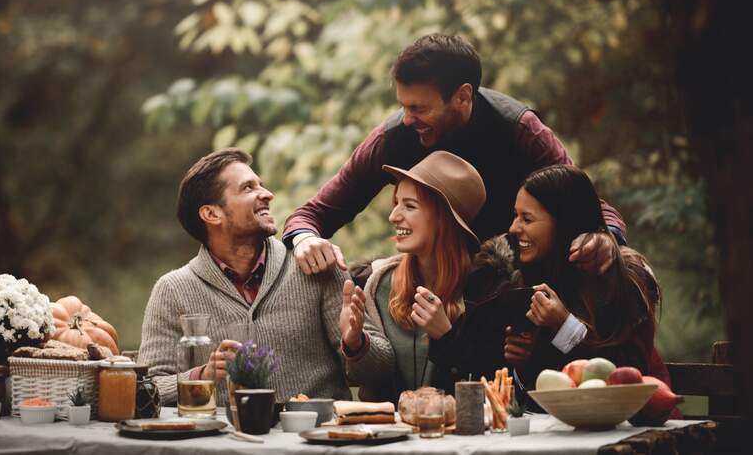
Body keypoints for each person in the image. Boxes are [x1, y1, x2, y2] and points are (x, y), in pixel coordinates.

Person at [284, 34, 625, 279]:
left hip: (519, 285)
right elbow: (311, 215)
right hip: (435, 286)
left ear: (462, 97)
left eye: (418, 107)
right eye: (402, 105)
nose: (406, 119)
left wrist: (604, 238)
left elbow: (593, 207)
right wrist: (305, 240)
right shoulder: (392, 139)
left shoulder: (519, 130)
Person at [427, 164, 671, 407]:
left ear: (563, 221)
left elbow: (627, 375)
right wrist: (528, 357)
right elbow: (538, 387)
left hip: (636, 426)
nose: (513, 228)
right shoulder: (525, 280)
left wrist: (564, 325)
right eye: (515, 215)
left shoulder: (622, 278)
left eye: (527, 219)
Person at [136, 148, 359, 406]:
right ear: (211, 214)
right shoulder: (172, 290)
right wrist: (203, 376)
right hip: (225, 444)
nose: (267, 194)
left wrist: (356, 344)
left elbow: (380, 368)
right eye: (248, 188)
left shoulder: (315, 262)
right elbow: (147, 389)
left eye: (261, 185)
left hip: (315, 440)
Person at [338, 151, 486, 402]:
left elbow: (490, 387)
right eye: (397, 203)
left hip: (458, 435)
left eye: (409, 206)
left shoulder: (486, 290)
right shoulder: (378, 284)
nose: (393, 216)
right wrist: (356, 344)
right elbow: (375, 376)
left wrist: (446, 338)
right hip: (389, 435)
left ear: (444, 219)